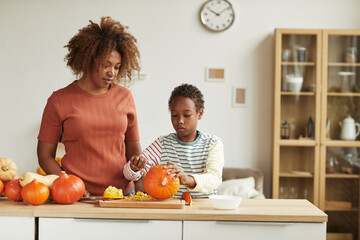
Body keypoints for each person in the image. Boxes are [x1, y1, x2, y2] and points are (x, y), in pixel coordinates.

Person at [37, 16, 141, 196]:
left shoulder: (126, 97)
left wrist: (138, 165)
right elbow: (45, 156)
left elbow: (134, 151)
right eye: (106, 65)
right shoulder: (59, 100)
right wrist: (67, 184)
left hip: (121, 196)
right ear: (88, 60)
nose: (112, 72)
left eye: (117, 67)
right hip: (75, 196)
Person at [123, 84, 224, 198]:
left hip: (204, 211)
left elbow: (214, 178)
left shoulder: (212, 143)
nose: (180, 120)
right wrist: (134, 167)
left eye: (187, 115)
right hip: (172, 210)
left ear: (200, 113)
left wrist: (187, 179)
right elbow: (128, 175)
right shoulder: (162, 144)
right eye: (174, 115)